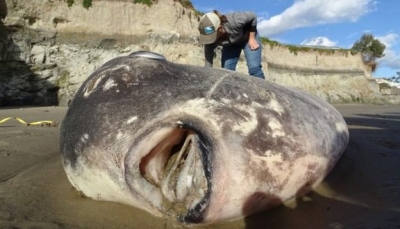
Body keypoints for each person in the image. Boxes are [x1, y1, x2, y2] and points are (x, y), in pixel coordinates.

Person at [198, 10, 265, 79]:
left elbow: (252, 16)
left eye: (212, 36)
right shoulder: (210, 41)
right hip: (231, 45)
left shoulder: (234, 20)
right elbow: (208, 66)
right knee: (226, 72)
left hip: (248, 39)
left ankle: (265, 89)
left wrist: (252, 38)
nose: (210, 39)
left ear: (219, 28)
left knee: (254, 69)